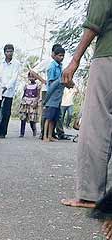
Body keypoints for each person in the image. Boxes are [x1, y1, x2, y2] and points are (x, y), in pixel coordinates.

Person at [61, 0, 112, 209]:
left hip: (108, 57)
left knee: (95, 124)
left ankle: (90, 195)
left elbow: (94, 22)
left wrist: (75, 60)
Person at [0, 44, 21, 138]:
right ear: (4, 52)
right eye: (7, 51)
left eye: (11, 51)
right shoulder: (0, 63)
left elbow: (14, 77)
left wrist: (6, 87)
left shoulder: (16, 63)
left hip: (8, 91)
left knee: (6, 112)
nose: (9, 53)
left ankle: (3, 132)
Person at [42, 45, 66, 142]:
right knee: (48, 117)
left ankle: (50, 135)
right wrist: (46, 99)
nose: (62, 57)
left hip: (58, 95)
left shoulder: (60, 66)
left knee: (54, 118)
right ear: (54, 55)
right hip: (52, 95)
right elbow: (51, 83)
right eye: (60, 55)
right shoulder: (52, 66)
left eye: (63, 56)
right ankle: (45, 136)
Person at [19, 72, 42, 137]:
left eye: (33, 77)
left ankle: (34, 130)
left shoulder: (37, 85)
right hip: (25, 102)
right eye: (30, 77)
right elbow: (24, 94)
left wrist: (36, 103)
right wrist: (22, 101)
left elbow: (38, 95)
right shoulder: (26, 85)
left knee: (32, 119)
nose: (31, 78)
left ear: (35, 78)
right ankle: (22, 133)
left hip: (33, 102)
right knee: (23, 118)